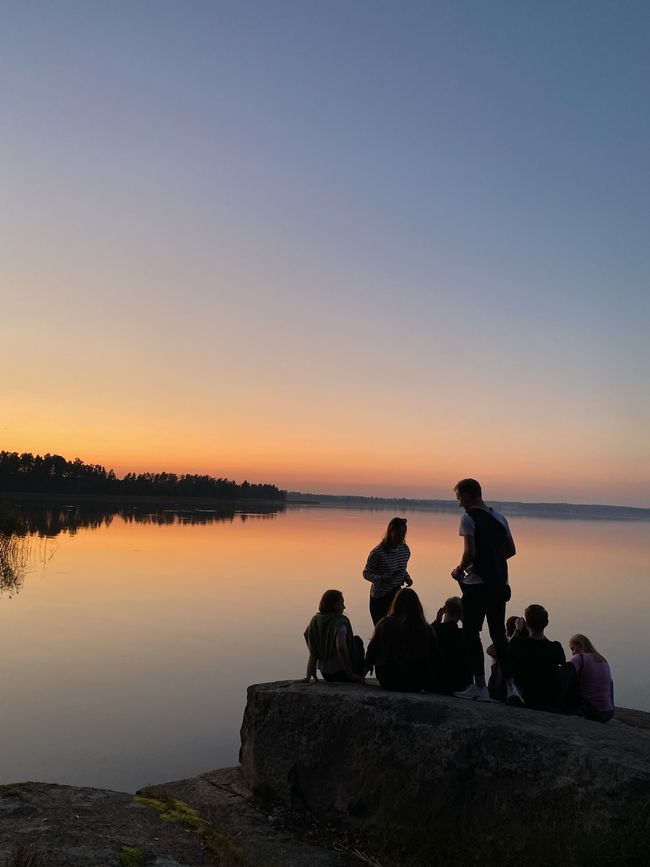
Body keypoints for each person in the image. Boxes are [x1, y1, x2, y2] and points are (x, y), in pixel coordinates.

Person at [450, 478, 523, 704]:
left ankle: (480, 687)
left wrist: (460, 569)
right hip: (499, 585)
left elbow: (470, 551)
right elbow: (510, 550)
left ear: (469, 495)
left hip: (476, 586)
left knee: (471, 633)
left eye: (460, 497)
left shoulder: (468, 517)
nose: (459, 503)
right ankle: (512, 687)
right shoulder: (500, 518)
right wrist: (491, 561)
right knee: (499, 635)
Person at [365, 588, 439, 691]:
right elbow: (433, 656)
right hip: (417, 681)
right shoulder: (426, 629)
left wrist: (367, 667)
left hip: (388, 678)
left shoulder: (384, 624)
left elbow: (372, 650)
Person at [299, 589, 365, 683]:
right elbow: (341, 647)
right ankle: (359, 676)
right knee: (357, 641)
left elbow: (313, 649)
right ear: (334, 606)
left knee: (354, 640)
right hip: (342, 674)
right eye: (341, 604)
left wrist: (308, 675)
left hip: (326, 675)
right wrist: (350, 674)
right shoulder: (339, 622)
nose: (344, 607)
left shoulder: (315, 620)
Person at [509, 605, 566, 709]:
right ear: (546, 623)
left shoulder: (520, 644)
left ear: (526, 624)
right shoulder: (555, 647)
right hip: (547, 699)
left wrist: (517, 630)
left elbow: (507, 651)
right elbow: (563, 664)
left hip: (525, 697)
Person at [363, 516, 413, 625]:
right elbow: (366, 573)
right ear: (390, 532)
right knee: (380, 629)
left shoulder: (405, 550)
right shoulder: (377, 552)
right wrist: (381, 578)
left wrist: (407, 577)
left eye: (403, 535)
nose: (401, 538)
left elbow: (402, 569)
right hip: (379, 596)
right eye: (398, 534)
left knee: (396, 628)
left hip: (396, 594)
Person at [568, 633, 615, 723]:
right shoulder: (602, 659)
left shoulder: (579, 658)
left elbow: (566, 677)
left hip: (593, 712)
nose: (573, 653)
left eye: (573, 648)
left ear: (579, 645)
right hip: (609, 713)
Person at [432, 596, 471, 693]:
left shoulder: (435, 631)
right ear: (461, 614)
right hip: (459, 685)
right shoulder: (464, 635)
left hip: (436, 683)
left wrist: (437, 621)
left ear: (444, 610)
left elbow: (426, 636)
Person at [487, 615, 528, 701]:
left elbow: (491, 651)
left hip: (498, 691)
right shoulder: (521, 645)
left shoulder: (517, 645)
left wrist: (516, 632)